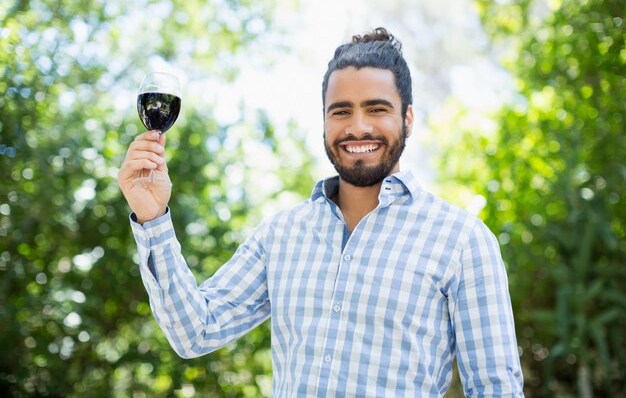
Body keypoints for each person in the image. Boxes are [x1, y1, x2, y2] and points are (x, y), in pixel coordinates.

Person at [118, 27, 525, 397]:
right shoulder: (281, 234)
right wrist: (153, 219)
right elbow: (195, 332)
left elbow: (496, 389)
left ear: (408, 119)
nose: (358, 127)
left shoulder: (463, 241)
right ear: (325, 122)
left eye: (377, 109)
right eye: (341, 111)